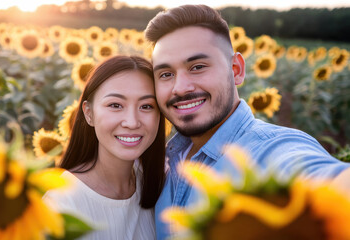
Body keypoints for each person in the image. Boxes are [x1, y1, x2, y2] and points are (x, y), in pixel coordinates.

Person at [143, 4, 350, 239]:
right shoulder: (163, 160)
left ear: (237, 69)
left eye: (197, 67)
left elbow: (321, 178)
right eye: (166, 74)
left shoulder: (271, 152)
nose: (180, 88)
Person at [43, 55, 166, 239]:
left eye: (147, 106)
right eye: (115, 105)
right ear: (89, 113)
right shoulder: (61, 202)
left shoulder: (159, 186)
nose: (132, 122)